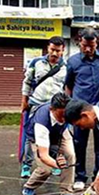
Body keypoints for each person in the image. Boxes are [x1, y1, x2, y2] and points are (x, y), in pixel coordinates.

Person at [65, 27, 99, 191]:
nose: (88, 49)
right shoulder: (73, 61)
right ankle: (80, 176)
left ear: (97, 43)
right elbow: (68, 86)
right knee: (79, 144)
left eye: (92, 45)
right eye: (84, 45)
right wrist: (67, 109)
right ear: (79, 42)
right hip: (80, 110)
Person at [20, 36, 67, 178]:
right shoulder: (36, 62)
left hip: (55, 107)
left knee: (56, 135)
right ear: (48, 48)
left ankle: (53, 163)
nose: (54, 53)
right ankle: (26, 165)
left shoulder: (66, 67)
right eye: (52, 49)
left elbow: (67, 87)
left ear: (62, 50)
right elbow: (27, 82)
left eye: (58, 51)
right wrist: (24, 101)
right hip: (36, 104)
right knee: (30, 136)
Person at [22, 92, 75, 195]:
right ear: (52, 109)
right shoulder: (41, 122)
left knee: (70, 155)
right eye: (60, 115)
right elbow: (44, 156)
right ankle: (29, 187)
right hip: (38, 136)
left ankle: (66, 192)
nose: (63, 119)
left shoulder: (70, 111)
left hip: (60, 132)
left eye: (66, 115)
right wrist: (58, 165)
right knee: (46, 169)